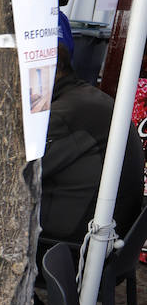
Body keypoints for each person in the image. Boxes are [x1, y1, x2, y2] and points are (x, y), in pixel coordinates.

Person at [41, 43, 144, 243]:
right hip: (108, 233)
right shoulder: (85, 98)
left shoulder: (66, 113)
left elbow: (14, 172)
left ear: (50, 72)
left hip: (73, 244)